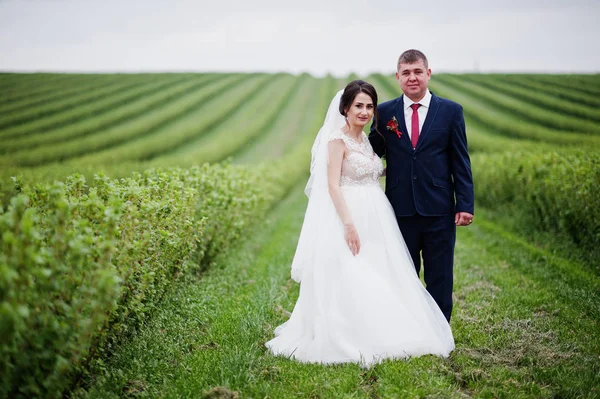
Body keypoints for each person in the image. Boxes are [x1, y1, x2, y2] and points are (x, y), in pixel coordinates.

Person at [265, 80, 454, 367]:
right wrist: (348, 225)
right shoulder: (336, 141)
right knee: (352, 269)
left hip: (377, 214)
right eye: (358, 106)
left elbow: (372, 172)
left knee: (380, 267)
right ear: (345, 108)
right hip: (349, 214)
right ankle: (349, 333)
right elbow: (332, 186)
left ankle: (384, 326)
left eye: (369, 106)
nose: (364, 112)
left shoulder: (365, 140)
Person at [369, 49, 474, 322]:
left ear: (428, 73)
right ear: (397, 77)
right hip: (399, 207)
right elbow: (370, 153)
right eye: (406, 73)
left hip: (439, 208)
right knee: (403, 272)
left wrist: (464, 203)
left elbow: (460, 159)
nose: (412, 77)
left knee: (440, 275)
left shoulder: (451, 111)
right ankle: (407, 327)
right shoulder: (384, 113)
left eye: (417, 71)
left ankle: (440, 331)